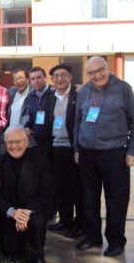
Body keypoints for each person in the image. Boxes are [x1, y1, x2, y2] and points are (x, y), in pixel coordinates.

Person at [74, 56, 134, 257]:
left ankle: (116, 241)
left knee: (116, 199)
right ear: (87, 74)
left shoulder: (124, 89)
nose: (97, 75)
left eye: (100, 70)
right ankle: (92, 237)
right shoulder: (84, 91)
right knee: (88, 198)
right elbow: (77, 122)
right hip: (87, 153)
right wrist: (76, 148)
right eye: (91, 73)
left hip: (114, 153)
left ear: (107, 68)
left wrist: (131, 150)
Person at [0, 126, 54, 263]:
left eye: (18, 141)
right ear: (5, 143)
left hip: (33, 209)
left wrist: (25, 213)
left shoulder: (42, 162)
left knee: (37, 222)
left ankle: (38, 253)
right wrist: (13, 212)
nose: (14, 146)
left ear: (26, 142)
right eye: (10, 142)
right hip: (10, 211)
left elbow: (46, 193)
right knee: (11, 254)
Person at [46, 64, 83, 239]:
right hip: (56, 148)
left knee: (77, 187)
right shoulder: (52, 97)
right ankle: (65, 220)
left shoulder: (78, 94)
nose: (59, 79)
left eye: (63, 75)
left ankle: (80, 223)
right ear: (52, 80)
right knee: (61, 187)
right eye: (56, 76)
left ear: (70, 77)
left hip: (73, 149)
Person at [24, 66, 54, 157]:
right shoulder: (30, 97)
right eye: (33, 79)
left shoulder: (54, 94)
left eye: (39, 77)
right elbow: (31, 115)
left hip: (54, 141)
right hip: (38, 141)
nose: (36, 81)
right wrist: (28, 126)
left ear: (45, 77)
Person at [8, 68, 35, 148]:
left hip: (28, 140)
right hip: (12, 139)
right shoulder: (11, 93)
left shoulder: (34, 94)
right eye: (16, 79)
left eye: (21, 78)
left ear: (27, 79)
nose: (18, 81)